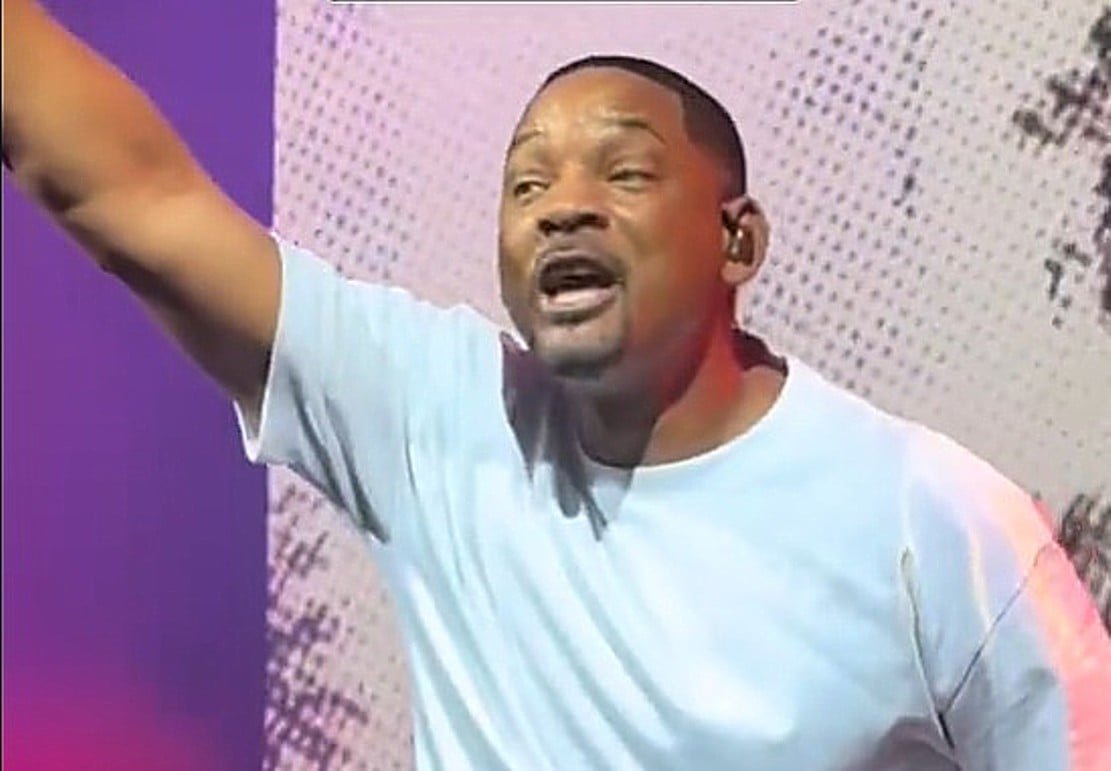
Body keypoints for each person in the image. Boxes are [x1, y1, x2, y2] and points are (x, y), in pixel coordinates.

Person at [4, 1, 1109, 769]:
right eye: (526, 183)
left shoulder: (935, 524)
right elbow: (132, 199)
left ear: (737, 241)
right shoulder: (438, 418)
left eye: (623, 172)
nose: (562, 206)